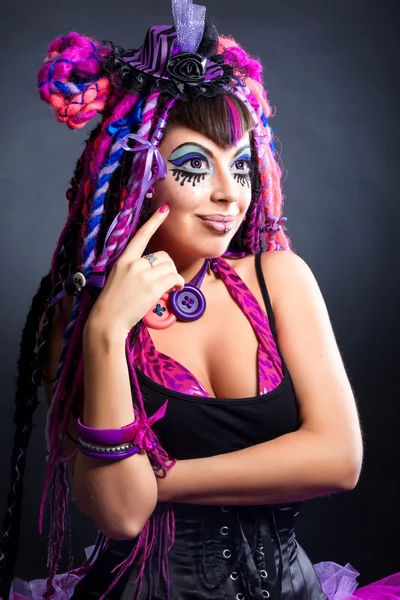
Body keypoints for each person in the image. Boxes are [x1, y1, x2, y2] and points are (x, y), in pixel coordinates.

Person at [0, 1, 399, 599]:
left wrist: (160, 478)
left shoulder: (280, 278)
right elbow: (120, 514)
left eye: (240, 168)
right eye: (193, 165)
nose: (228, 194)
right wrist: (107, 330)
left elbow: (340, 459)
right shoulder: (81, 317)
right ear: (139, 175)